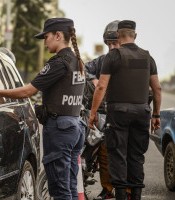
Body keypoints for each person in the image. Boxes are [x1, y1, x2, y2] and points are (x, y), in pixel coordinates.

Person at [0, 18, 86, 200]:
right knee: (69, 186)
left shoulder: (58, 63)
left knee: (60, 190)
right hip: (75, 126)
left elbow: (28, 90)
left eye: (47, 37)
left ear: (58, 35)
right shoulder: (77, 60)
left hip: (60, 130)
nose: (45, 43)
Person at [88, 20, 162, 200]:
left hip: (118, 113)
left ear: (119, 37)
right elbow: (157, 88)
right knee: (136, 156)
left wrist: (93, 113)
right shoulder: (148, 57)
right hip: (142, 112)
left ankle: (120, 195)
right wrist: (156, 114)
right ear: (135, 36)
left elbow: (100, 88)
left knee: (118, 156)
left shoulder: (112, 57)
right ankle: (134, 196)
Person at [85, 20, 120, 200]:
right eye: (109, 44)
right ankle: (107, 189)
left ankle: (127, 191)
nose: (112, 47)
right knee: (105, 154)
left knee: (123, 155)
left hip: (124, 115)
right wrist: (92, 79)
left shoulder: (133, 61)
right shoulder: (101, 61)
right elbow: (84, 68)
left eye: (115, 43)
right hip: (105, 115)